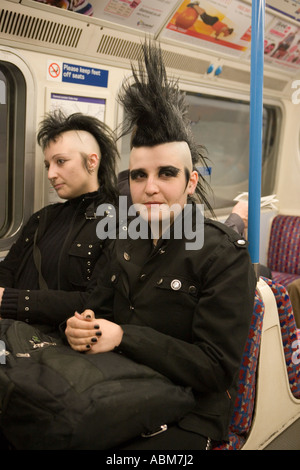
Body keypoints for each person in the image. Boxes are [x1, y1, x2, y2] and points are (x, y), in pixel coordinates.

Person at [65, 42, 256, 450]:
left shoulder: (223, 256)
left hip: (188, 414)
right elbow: (95, 303)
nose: (150, 188)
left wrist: (124, 337)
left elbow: (214, 368)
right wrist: (82, 324)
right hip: (120, 385)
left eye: (166, 174)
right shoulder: (124, 238)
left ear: (190, 182)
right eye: (138, 176)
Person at [0, 110, 119, 333]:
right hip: (11, 329)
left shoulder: (115, 224)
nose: (51, 174)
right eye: (48, 165)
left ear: (92, 161)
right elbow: (8, 269)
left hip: (57, 341)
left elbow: (94, 303)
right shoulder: (42, 217)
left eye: (60, 162)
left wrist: (11, 300)